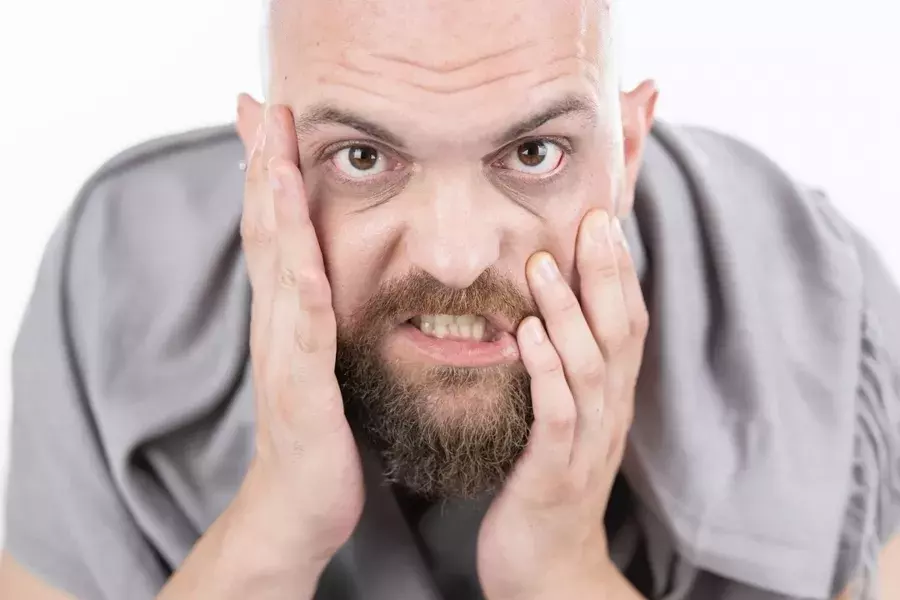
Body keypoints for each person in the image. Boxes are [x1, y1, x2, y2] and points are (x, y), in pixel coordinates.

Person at [2, 0, 899, 598]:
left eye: (534, 152)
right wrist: (274, 528)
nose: (458, 257)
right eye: (363, 157)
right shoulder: (116, 281)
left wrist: (558, 569)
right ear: (266, 156)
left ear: (625, 152)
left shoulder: (823, 316)